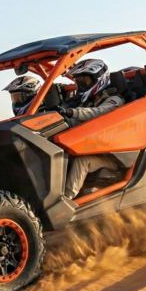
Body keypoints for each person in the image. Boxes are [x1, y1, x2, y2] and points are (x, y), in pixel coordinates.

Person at [52, 59, 127, 200]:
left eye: (84, 82)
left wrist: (70, 112)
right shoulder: (89, 102)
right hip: (94, 148)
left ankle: (67, 200)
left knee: (83, 160)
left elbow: (98, 113)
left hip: (113, 157)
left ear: (100, 79)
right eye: (78, 82)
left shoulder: (115, 100)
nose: (80, 86)